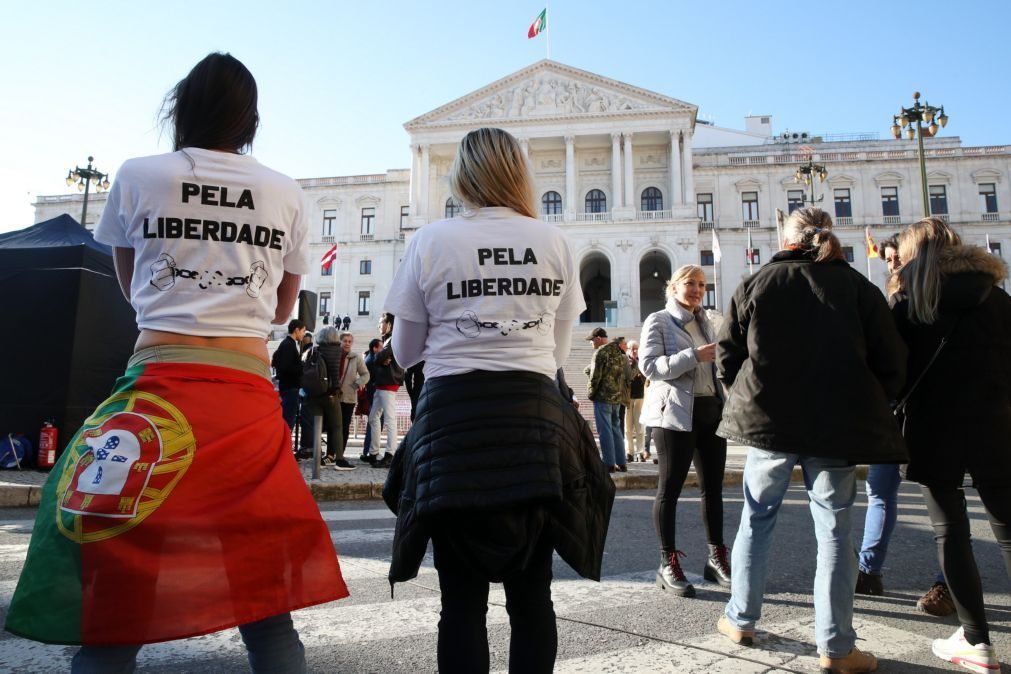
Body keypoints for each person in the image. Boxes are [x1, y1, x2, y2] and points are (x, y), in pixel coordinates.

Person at [4, 53, 347, 672]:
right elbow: (282, 306)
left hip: (156, 392)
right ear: (251, 118)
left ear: (181, 107)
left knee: (114, 605)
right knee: (266, 608)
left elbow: (130, 281)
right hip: (243, 403)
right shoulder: (284, 189)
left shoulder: (139, 175)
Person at [381, 127, 614, 673]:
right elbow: (556, 352)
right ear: (519, 174)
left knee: (459, 605)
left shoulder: (431, 239)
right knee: (533, 599)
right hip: (532, 425)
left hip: (454, 426)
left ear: (463, 175)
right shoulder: (553, 240)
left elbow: (407, 351)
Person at [714, 208, 906, 674]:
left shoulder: (757, 283)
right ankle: (836, 648)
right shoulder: (858, 287)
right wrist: (871, 400)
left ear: (786, 237)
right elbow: (892, 359)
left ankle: (741, 618)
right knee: (836, 531)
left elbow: (726, 356)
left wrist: (748, 396)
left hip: (769, 425)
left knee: (756, 520)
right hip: (836, 426)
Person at [889, 217, 1011, 673]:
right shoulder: (998, 299)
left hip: (932, 427)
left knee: (951, 532)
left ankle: (977, 641)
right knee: (1007, 527)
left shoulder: (911, 305)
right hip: (995, 422)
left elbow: (890, 371)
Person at [855, 233, 954, 617]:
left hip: (925, 410)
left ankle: (945, 582)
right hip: (895, 411)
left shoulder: (911, 302)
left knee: (941, 498)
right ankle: (868, 570)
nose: (893, 265)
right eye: (889, 260)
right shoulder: (894, 300)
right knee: (881, 490)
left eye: (898, 259)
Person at [639, 265, 730, 597]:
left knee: (713, 490)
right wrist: (693, 355)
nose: (697, 290)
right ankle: (668, 563)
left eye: (702, 285)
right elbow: (649, 366)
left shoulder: (708, 321)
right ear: (674, 287)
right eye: (690, 283)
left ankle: (716, 558)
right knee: (670, 489)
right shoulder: (659, 321)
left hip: (710, 410)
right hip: (674, 414)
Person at [302, 327, 359, 469]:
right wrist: (337, 389)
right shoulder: (337, 351)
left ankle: (317, 459)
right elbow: (335, 373)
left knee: (317, 426)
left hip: (313, 394)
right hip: (330, 395)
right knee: (337, 426)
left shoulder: (313, 350)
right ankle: (339, 460)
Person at [585, 327, 630, 472]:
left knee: (605, 430)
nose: (591, 344)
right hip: (617, 397)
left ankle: (609, 463)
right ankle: (621, 462)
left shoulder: (600, 352)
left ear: (598, 339)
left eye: (591, 340)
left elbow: (595, 377)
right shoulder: (619, 352)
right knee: (616, 429)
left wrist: (591, 394)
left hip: (603, 397)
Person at [366, 312, 404, 467]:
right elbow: (378, 358)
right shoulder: (387, 340)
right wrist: (380, 358)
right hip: (381, 383)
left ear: (389, 324)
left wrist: (380, 357)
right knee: (373, 418)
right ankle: (374, 452)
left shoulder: (393, 339)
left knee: (389, 419)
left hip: (388, 383)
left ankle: (390, 454)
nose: (379, 325)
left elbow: (377, 357)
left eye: (381, 322)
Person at [332, 330, 370, 454]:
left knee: (344, 426)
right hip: (334, 396)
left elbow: (366, 374)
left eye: (350, 341)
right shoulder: (335, 355)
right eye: (345, 341)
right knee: (333, 426)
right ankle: (331, 453)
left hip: (349, 397)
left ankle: (340, 454)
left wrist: (357, 384)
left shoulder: (356, 357)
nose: (347, 343)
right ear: (340, 342)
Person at [272, 318, 306, 438]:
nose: (303, 334)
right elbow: (286, 367)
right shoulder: (289, 345)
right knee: (288, 421)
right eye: (303, 331)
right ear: (296, 330)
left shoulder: (287, 344)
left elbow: (276, 360)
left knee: (287, 420)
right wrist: (301, 366)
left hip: (288, 387)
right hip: (290, 388)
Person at [625, 340, 647, 461]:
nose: (634, 351)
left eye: (636, 348)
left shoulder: (643, 362)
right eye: (631, 348)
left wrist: (638, 364)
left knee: (640, 427)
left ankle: (640, 451)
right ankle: (629, 452)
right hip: (627, 398)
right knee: (627, 428)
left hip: (640, 397)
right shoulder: (624, 362)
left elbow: (647, 377)